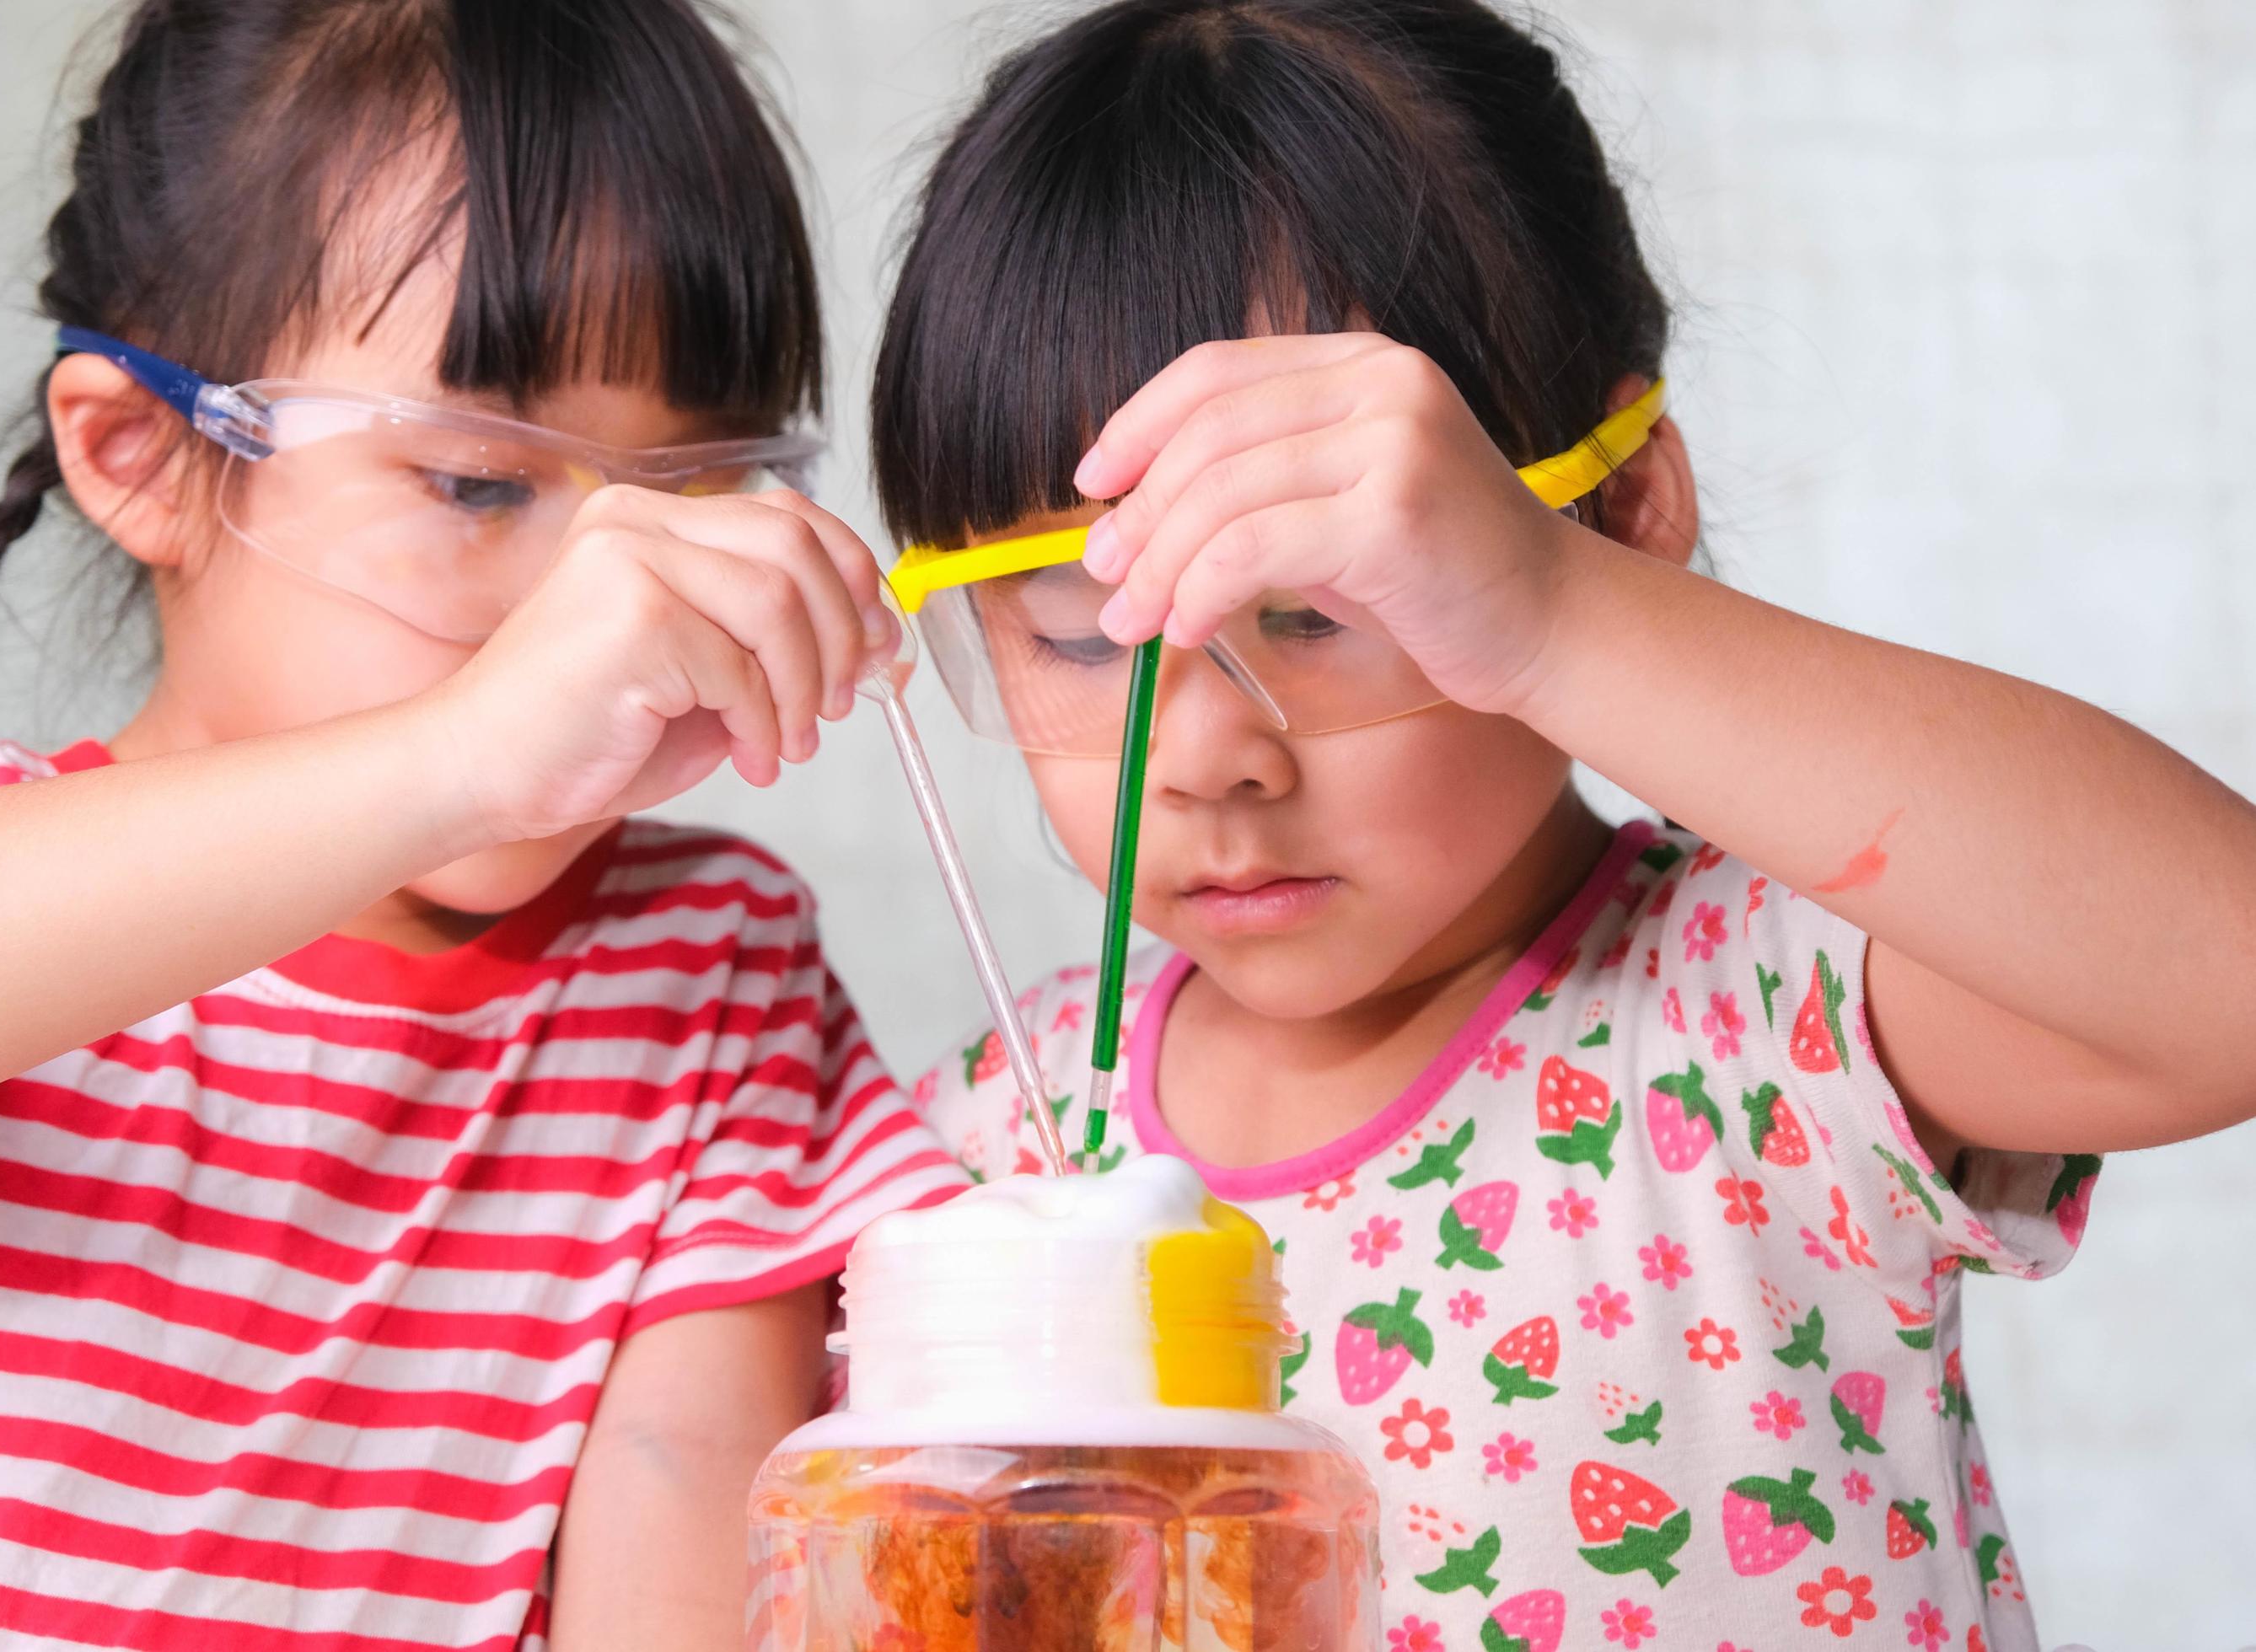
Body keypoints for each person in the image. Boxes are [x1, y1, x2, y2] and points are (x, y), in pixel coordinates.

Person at [878, 3, 2256, 1647]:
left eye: (1319, 611)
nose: (1207, 755)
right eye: (1087, 639)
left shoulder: (1760, 1017)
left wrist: (1560, 621)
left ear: (1622, 512)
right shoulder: (986, 1159)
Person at [0, 3, 970, 1646]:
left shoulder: (704, 970)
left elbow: (696, 1509)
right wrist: (462, 753)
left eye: (689, 499)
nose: (597, 601)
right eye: (483, 482)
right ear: (141, 455)